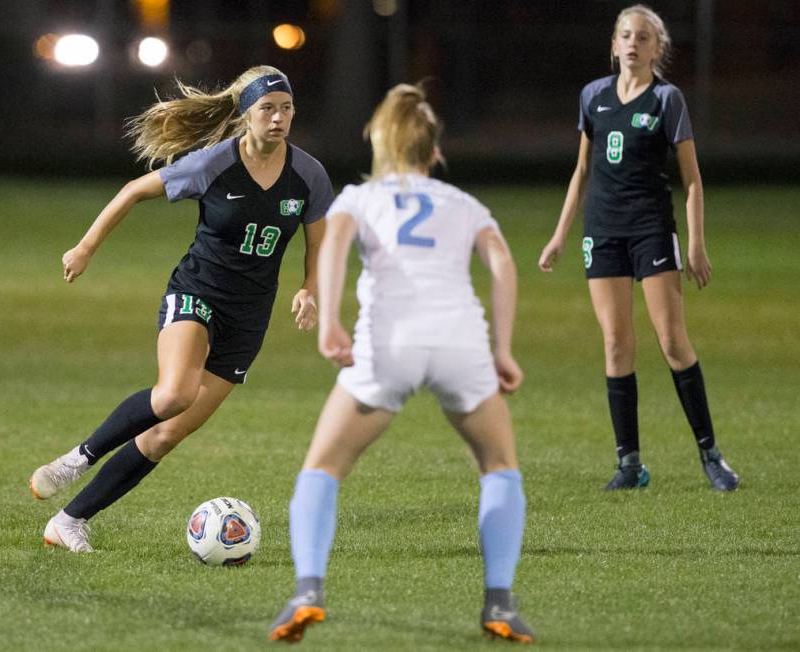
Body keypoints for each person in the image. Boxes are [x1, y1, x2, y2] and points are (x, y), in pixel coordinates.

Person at [268, 83, 535, 644]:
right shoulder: (463, 204)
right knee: (498, 465)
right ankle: (500, 604)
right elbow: (504, 264)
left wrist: (331, 323)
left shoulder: (359, 199)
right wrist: (504, 348)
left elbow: (335, 243)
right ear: (434, 153)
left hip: (389, 344)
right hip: (459, 341)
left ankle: (307, 591)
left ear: (379, 144)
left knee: (323, 468)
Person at [30, 65, 334, 551]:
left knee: (164, 436)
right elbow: (133, 191)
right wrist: (86, 247)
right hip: (197, 291)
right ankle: (78, 458)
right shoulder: (213, 163)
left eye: (286, 108)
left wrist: (309, 288)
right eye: (267, 109)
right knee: (174, 393)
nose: (278, 119)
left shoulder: (309, 174)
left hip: (249, 316)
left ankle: (68, 521)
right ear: (245, 114)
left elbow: (319, 241)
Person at [538, 5, 739, 491]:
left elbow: (692, 181)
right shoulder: (592, 96)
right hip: (601, 231)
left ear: (657, 48)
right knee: (615, 343)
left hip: (650, 229)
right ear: (614, 45)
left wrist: (695, 244)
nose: (633, 43)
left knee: (672, 340)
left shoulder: (667, 100)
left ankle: (711, 455)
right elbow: (582, 171)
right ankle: (630, 464)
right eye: (625, 35)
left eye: (643, 37)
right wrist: (560, 234)